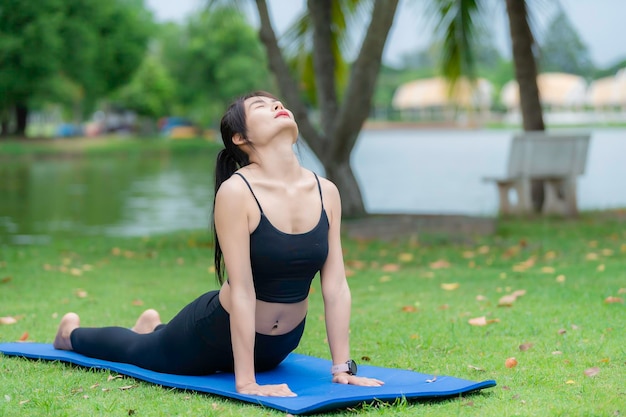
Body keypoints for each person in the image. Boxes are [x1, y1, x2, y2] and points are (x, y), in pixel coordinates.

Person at [53, 91, 384, 397]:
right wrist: (247, 382)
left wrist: (343, 369)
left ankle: (152, 326)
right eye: (261, 106)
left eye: (278, 103)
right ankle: (70, 335)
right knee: (138, 352)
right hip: (213, 334)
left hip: (279, 345)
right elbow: (242, 289)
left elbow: (336, 285)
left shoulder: (327, 191)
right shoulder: (237, 192)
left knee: (153, 340)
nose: (277, 106)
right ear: (241, 138)